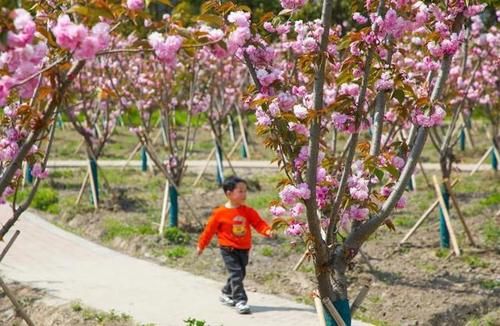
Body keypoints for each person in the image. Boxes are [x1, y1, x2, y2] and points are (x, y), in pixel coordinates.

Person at [197, 176, 272, 314]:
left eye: (245, 191)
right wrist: (201, 245)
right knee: (236, 273)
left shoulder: (247, 211)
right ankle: (240, 300)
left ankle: (226, 292)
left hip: (243, 249)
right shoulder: (220, 213)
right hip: (228, 249)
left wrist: (267, 231)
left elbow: (258, 223)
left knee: (239, 273)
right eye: (240, 191)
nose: (244, 194)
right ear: (229, 193)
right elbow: (209, 231)